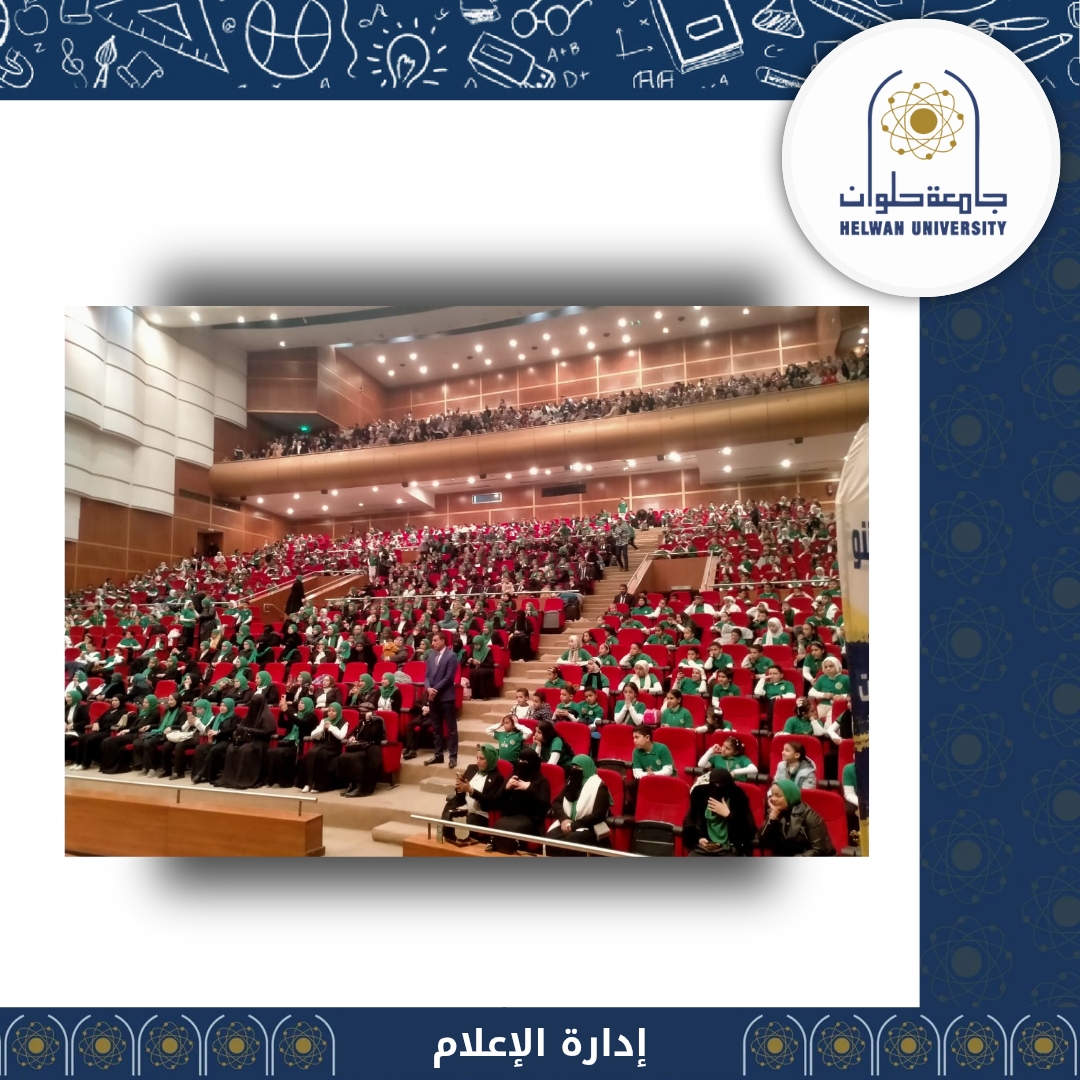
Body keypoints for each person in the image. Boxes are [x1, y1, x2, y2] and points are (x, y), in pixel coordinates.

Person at [545, 755, 612, 855]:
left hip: (589, 828)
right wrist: (563, 819)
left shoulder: (599, 786)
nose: (574, 769)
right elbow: (557, 802)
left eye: (578, 767)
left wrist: (574, 825)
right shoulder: (571, 782)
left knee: (571, 841)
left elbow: (598, 815)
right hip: (568, 824)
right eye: (573, 766)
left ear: (586, 768)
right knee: (550, 838)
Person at [682, 769, 756, 856]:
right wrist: (698, 839)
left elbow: (748, 832)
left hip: (730, 848)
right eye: (715, 784)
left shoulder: (737, 797)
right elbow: (689, 821)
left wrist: (728, 815)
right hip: (704, 848)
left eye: (721, 785)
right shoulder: (701, 794)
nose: (717, 787)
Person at [490, 748, 550, 853]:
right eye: (519, 760)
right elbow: (496, 801)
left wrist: (528, 789)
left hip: (531, 819)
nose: (521, 764)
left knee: (513, 829)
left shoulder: (542, 781)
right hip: (510, 815)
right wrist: (506, 788)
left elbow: (544, 806)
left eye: (524, 762)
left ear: (532, 763)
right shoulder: (513, 776)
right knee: (499, 825)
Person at [442, 744, 506, 841]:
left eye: (482, 759)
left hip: (480, 813)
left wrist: (471, 790)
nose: (478, 761)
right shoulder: (471, 768)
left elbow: (491, 801)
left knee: (466, 823)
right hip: (465, 806)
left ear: (490, 760)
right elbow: (460, 796)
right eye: (477, 758)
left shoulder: (497, 777)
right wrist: (460, 789)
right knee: (449, 814)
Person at [214, 692, 277, 789]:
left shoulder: (267, 716)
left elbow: (268, 731)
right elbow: (241, 726)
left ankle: (245, 778)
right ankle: (232, 777)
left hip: (260, 742)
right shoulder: (249, 715)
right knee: (231, 748)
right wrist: (238, 732)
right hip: (247, 740)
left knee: (245, 750)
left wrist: (249, 730)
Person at [759, 779, 835, 856]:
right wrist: (772, 816)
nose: (773, 799)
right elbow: (762, 841)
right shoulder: (775, 812)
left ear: (789, 796)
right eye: (772, 795)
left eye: (778, 796)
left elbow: (818, 850)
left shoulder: (810, 816)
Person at [423, 630, 459, 768]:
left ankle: (453, 756)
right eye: (432, 641)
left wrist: (434, 689)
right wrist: (428, 689)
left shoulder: (451, 656)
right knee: (436, 728)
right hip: (433, 697)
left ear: (443, 641)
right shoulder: (431, 655)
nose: (432, 643)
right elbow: (426, 675)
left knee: (451, 729)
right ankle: (438, 755)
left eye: (435, 640)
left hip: (446, 697)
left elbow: (449, 678)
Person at [296, 701, 349, 793]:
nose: (330, 713)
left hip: (334, 747)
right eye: (329, 711)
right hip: (322, 744)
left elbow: (341, 736)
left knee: (321, 755)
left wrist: (331, 727)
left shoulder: (344, 722)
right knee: (310, 753)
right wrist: (322, 729)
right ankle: (308, 783)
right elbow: (313, 735)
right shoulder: (324, 721)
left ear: (338, 712)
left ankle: (318, 785)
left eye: (333, 711)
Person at [265, 696, 317, 788]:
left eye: (302, 703)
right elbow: (281, 724)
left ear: (308, 705)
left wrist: (287, 711)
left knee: (281, 753)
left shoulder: (311, 717)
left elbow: (301, 723)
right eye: (299, 703)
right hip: (288, 741)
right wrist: (282, 711)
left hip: (299, 743)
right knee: (271, 752)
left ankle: (285, 781)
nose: (299, 705)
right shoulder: (296, 715)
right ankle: (273, 780)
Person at [190, 698, 239, 784]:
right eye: (221, 705)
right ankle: (198, 774)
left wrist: (218, 732)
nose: (222, 708)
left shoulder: (235, 717)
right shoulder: (217, 716)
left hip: (227, 741)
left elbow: (232, 730)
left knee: (214, 750)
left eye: (225, 706)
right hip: (216, 740)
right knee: (199, 748)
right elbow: (208, 726)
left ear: (230, 707)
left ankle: (204, 775)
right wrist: (209, 731)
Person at [339, 709, 386, 798]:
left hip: (372, 747)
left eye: (365, 711)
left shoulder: (377, 721)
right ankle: (352, 784)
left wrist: (368, 721)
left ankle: (361, 787)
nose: (363, 713)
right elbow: (353, 731)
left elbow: (369, 735)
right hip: (361, 747)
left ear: (371, 712)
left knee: (355, 758)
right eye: (362, 711)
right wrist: (352, 736)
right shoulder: (362, 722)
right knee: (344, 756)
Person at [64, 689, 91, 765]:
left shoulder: (82, 707)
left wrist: (73, 725)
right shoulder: (67, 707)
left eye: (69, 697)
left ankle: (69, 758)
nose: (67, 699)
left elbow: (86, 721)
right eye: (66, 697)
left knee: (64, 739)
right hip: (67, 730)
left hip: (78, 731)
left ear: (75, 697)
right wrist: (64, 723)